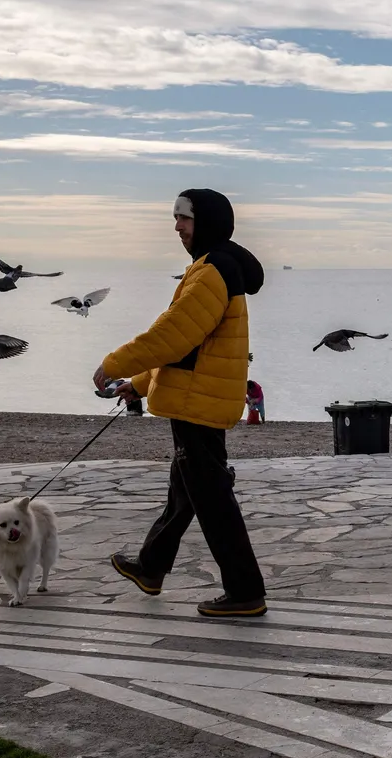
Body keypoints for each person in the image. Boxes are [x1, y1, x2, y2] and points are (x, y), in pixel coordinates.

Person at [95, 188, 268, 618]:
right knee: (186, 491)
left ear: (206, 221)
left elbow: (172, 335)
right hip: (197, 397)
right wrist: (139, 383)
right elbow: (185, 349)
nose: (177, 227)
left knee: (212, 500)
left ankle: (246, 592)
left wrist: (115, 363)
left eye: (184, 218)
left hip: (198, 404)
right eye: (175, 218)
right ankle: (151, 568)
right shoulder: (208, 267)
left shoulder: (212, 272)